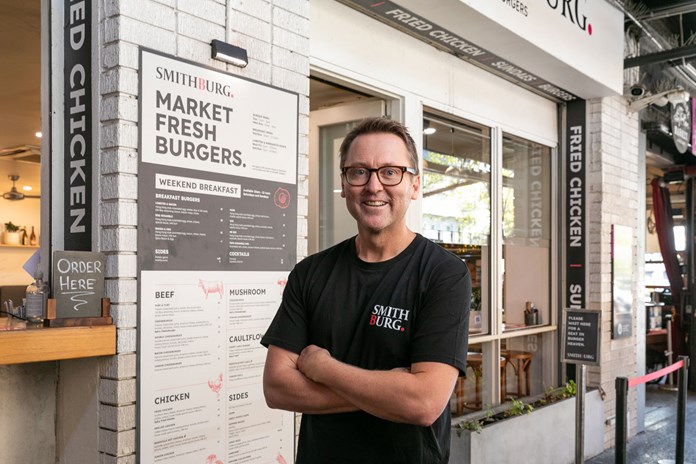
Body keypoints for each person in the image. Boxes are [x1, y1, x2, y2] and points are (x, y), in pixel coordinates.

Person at [261, 117, 471, 463]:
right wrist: (391, 388)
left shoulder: (443, 274)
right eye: (359, 172)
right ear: (344, 184)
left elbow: (424, 403)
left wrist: (324, 368)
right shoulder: (310, 273)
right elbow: (277, 388)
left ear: (414, 185)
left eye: (390, 172)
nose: (374, 186)